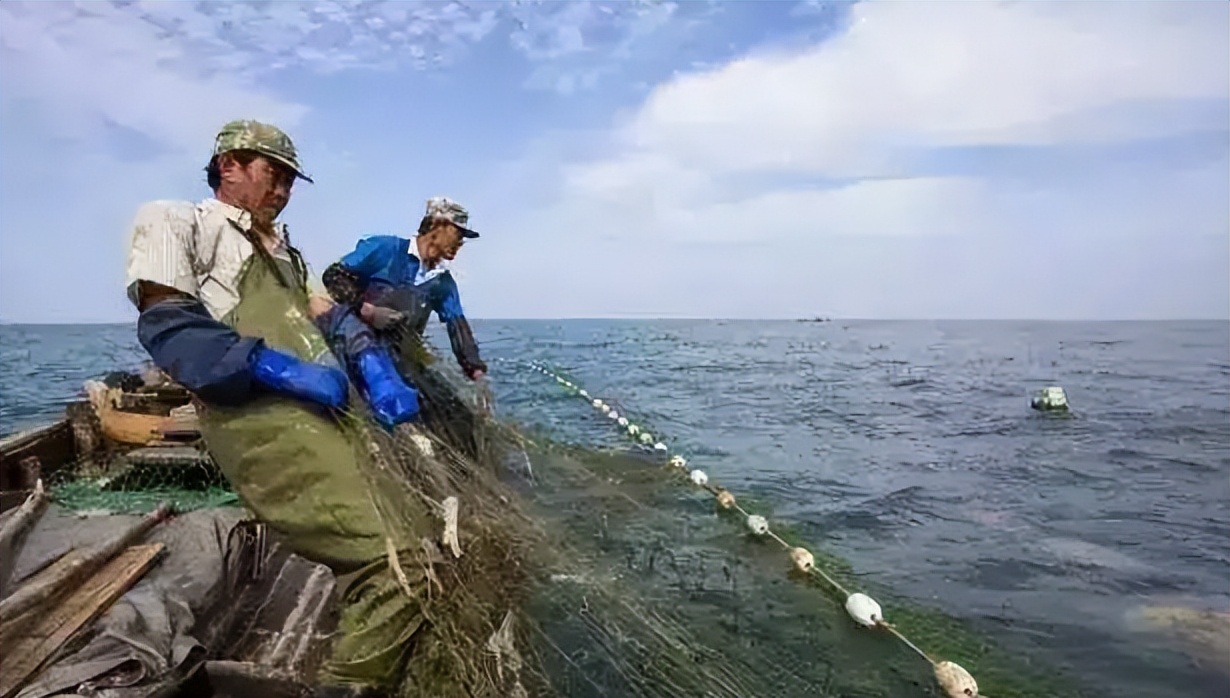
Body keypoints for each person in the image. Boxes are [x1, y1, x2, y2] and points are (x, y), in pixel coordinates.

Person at [124, 119, 432, 697]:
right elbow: (171, 331)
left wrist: (370, 363)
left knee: (414, 529)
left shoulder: (284, 249)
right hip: (257, 415)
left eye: (291, 180)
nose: (284, 190)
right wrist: (277, 368)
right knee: (398, 559)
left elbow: (327, 314)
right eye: (274, 174)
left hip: (326, 409)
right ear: (228, 166)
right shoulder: (176, 220)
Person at [318, 197, 487, 387]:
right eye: (458, 233)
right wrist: (367, 311)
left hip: (400, 359)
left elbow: (458, 329)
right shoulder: (386, 249)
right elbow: (333, 276)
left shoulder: (443, 283)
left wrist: (476, 373)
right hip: (359, 347)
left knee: (451, 408)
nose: (460, 242)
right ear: (438, 226)